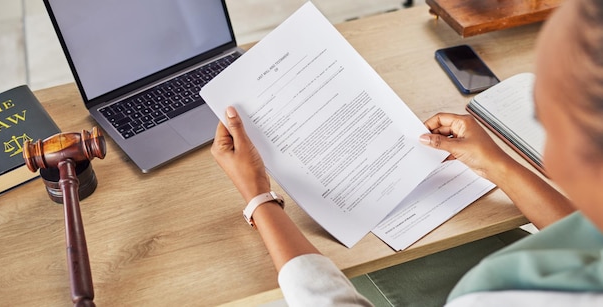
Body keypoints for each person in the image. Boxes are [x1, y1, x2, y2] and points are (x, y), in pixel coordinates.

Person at [210, 0, 603, 305]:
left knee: (366, 269)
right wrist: (495, 162)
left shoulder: (495, 292)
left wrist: (258, 196)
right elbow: (591, 242)